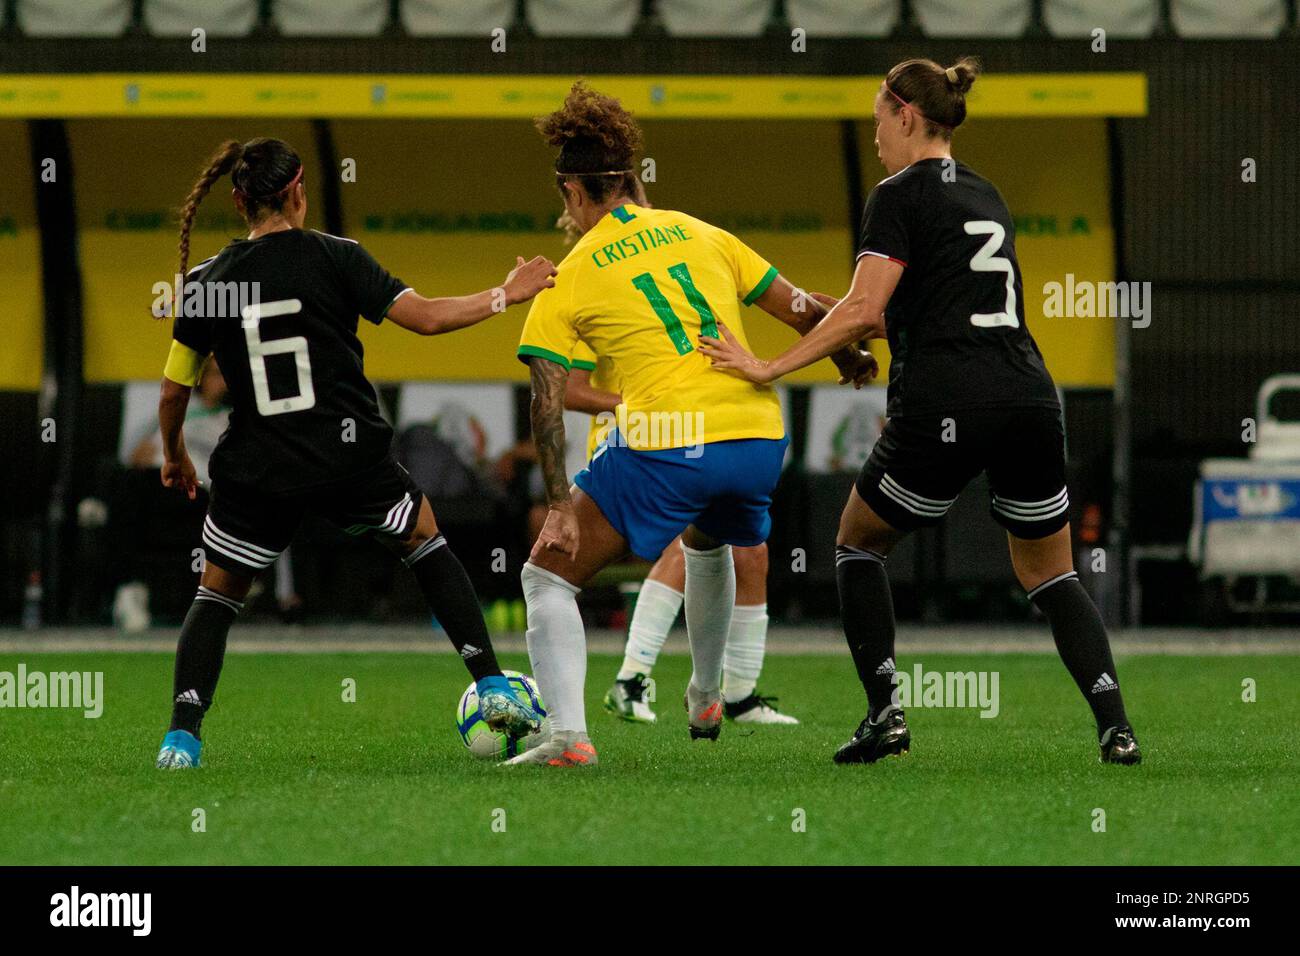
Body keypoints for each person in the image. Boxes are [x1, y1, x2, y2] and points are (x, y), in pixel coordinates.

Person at [699, 58, 1141, 766]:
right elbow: (910, 307)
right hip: (1028, 395)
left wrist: (768, 366)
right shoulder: (984, 192)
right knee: (1052, 574)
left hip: (947, 401)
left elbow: (866, 308)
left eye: (879, 118)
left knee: (856, 542)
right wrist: (837, 325)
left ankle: (885, 715)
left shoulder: (896, 195)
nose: (874, 135)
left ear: (906, 114)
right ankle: (1116, 728)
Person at [153, 136, 557, 768]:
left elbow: (175, 389)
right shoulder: (334, 256)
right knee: (424, 539)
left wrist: (176, 456)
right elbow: (426, 318)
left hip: (260, 466)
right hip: (347, 456)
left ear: (237, 201)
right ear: (298, 192)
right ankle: (491, 683)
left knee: (217, 594)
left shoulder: (207, 281)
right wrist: (507, 293)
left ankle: (181, 737)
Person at [511, 83, 873, 767]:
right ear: (629, 180)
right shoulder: (704, 233)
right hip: (759, 440)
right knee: (708, 544)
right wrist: (851, 354)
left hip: (672, 442)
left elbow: (547, 400)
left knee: (546, 576)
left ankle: (567, 738)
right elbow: (801, 309)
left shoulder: (573, 271)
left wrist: (559, 505)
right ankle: (706, 695)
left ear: (573, 193)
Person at [564, 341, 797, 725]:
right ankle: (631, 679)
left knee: (751, 551)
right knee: (687, 546)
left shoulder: (688, 300)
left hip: (693, 441)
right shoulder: (604, 301)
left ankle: (739, 695)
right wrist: (648, 408)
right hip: (635, 444)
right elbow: (572, 391)